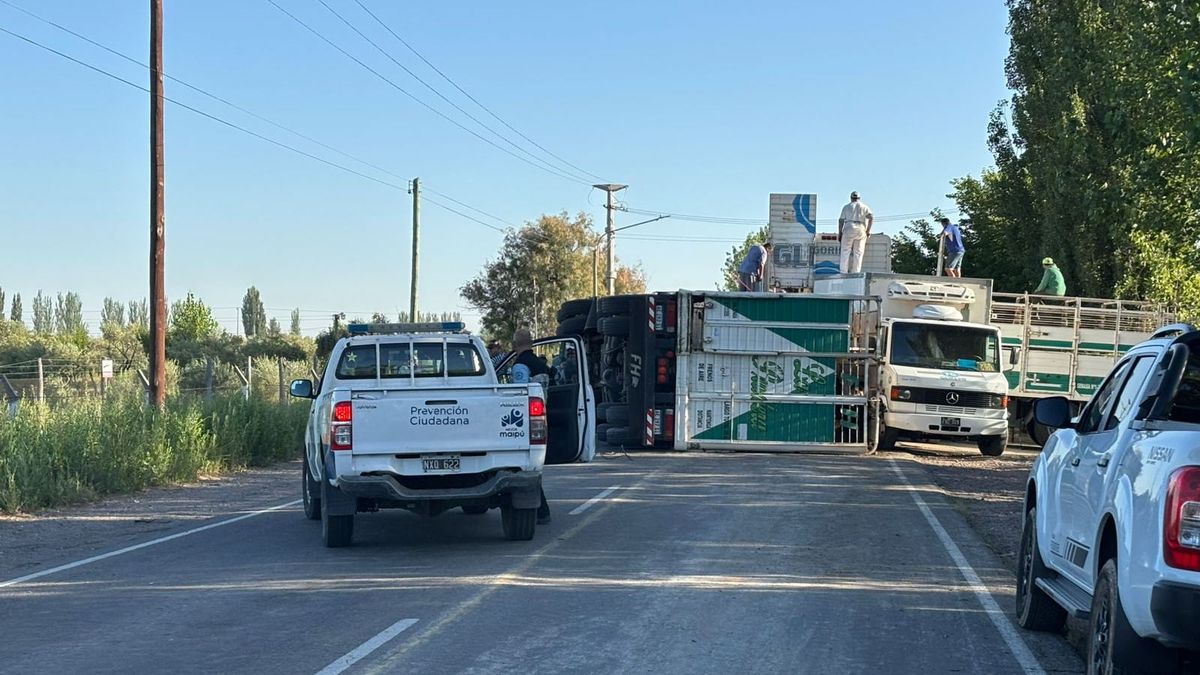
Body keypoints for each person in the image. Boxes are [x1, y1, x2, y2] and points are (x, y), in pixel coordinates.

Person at [509, 328, 553, 524]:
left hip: (526, 421)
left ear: (514, 345)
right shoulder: (540, 364)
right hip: (542, 416)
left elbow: (519, 393)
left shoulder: (520, 365)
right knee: (535, 466)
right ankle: (542, 511)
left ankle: (541, 511)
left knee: (525, 467)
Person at [838, 191, 874, 273]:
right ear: (859, 198)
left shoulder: (846, 207)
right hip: (861, 227)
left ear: (851, 198)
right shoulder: (864, 207)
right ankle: (856, 272)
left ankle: (843, 272)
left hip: (848, 227)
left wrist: (840, 233)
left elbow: (841, 220)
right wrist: (868, 230)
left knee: (845, 251)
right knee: (858, 252)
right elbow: (871, 217)